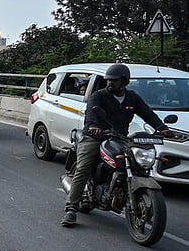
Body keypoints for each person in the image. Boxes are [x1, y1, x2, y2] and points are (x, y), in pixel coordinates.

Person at [61, 63, 174, 226]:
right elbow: (91, 112)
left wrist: (162, 128)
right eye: (108, 80)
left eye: (114, 80)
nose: (110, 83)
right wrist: (93, 126)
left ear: (124, 81)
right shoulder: (99, 96)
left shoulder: (132, 98)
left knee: (134, 162)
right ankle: (71, 208)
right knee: (84, 167)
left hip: (119, 137)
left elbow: (147, 113)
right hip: (94, 136)